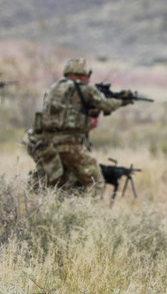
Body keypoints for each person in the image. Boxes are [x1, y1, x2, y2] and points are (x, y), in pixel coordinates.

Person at [25, 57, 133, 196]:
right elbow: (107, 105)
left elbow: (66, 114)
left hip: (44, 144)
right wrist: (123, 100)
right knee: (95, 181)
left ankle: (53, 209)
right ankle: (85, 214)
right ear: (83, 73)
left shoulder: (53, 88)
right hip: (69, 145)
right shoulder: (85, 89)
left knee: (64, 182)